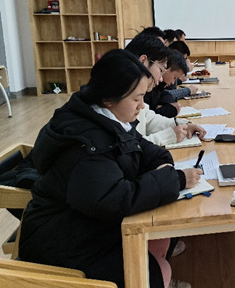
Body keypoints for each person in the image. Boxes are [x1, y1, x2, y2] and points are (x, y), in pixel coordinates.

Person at [18, 49, 202, 288]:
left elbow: (142, 147)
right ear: (108, 98)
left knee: (162, 237)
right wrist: (175, 180)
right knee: (156, 272)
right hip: (61, 243)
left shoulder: (106, 118)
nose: (142, 106)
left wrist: (163, 164)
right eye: (136, 99)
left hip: (86, 224)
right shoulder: (86, 143)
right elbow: (115, 199)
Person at [125, 35, 207, 145]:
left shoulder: (136, 89)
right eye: (161, 69)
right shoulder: (122, 93)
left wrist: (184, 125)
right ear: (143, 61)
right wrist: (169, 136)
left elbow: (149, 119)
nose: (161, 79)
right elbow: (128, 147)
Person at [145, 51, 190, 118]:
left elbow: (165, 94)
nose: (173, 82)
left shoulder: (159, 86)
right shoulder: (147, 87)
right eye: (174, 77)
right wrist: (168, 110)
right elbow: (146, 118)